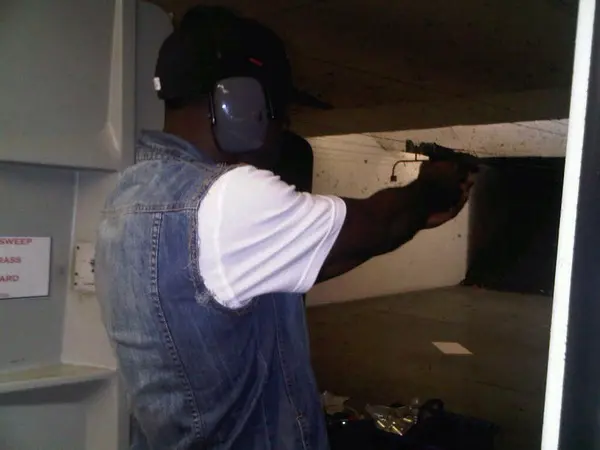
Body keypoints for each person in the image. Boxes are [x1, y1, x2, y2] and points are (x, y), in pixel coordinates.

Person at [94, 5, 476, 450]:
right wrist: (432, 187)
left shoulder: (129, 195)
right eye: (278, 109)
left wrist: (413, 217)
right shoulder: (227, 198)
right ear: (241, 105)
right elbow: (377, 224)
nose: (284, 126)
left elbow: (290, 265)